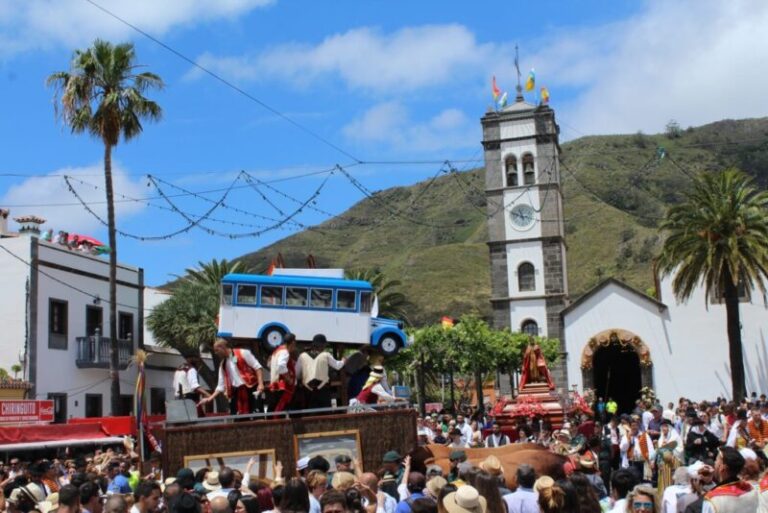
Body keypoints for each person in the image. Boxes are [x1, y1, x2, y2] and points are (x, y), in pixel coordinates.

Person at [200, 339, 265, 415]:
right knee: (237, 418)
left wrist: (261, 384)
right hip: (236, 392)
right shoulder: (223, 365)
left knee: (256, 415)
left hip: (251, 388)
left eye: (217, 350)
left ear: (223, 348)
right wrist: (209, 399)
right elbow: (220, 386)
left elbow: (258, 367)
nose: (216, 353)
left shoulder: (242, 353)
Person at [297, 335, 346, 410]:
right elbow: (337, 366)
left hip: (308, 391)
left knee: (309, 413)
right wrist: (343, 361)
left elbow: (297, 373)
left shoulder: (302, 356)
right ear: (322, 345)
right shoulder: (326, 355)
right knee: (324, 412)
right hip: (323, 391)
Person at [701, 447, 757, 513]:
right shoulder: (751, 489)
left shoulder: (713, 500)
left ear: (722, 468)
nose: (714, 464)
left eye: (716, 460)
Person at [268, 334, 299, 412]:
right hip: (282, 387)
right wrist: (288, 379)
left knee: (274, 410)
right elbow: (281, 366)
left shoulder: (277, 351)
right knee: (280, 411)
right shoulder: (284, 352)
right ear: (292, 343)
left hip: (275, 386)